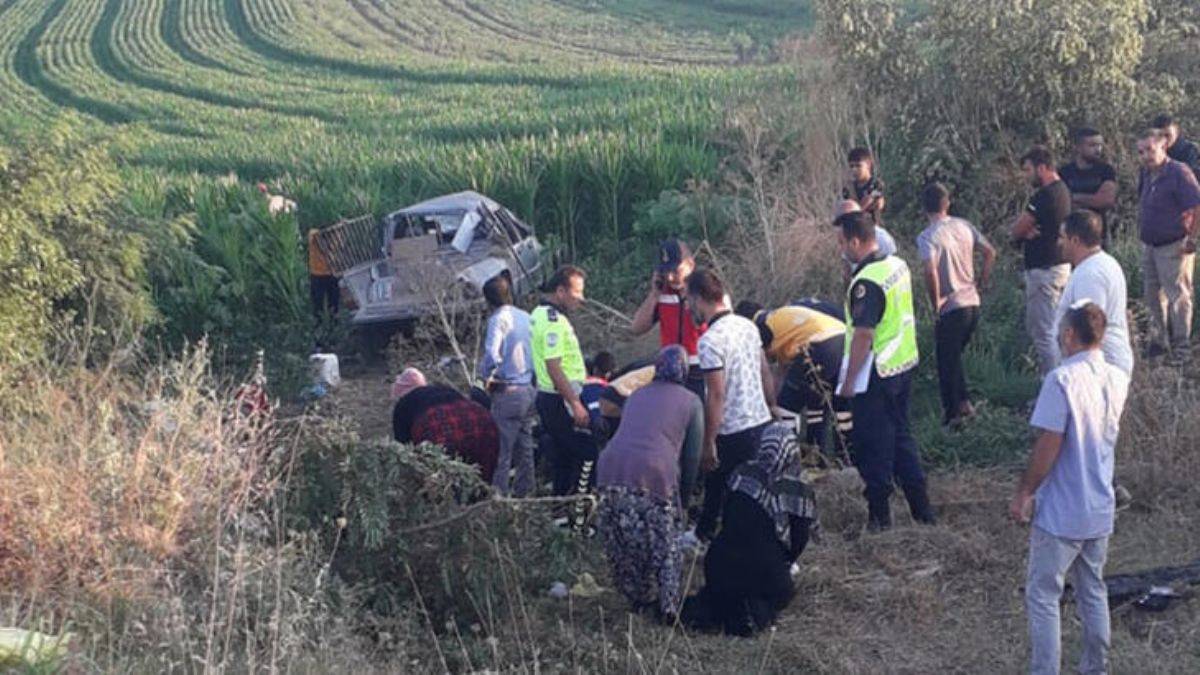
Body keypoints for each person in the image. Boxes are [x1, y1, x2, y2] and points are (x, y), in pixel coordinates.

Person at [1009, 302, 1130, 675]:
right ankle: (1096, 667)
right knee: (1093, 589)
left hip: (1062, 508)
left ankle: (1045, 670)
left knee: (1044, 594)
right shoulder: (1116, 377)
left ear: (1068, 335)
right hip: (1099, 504)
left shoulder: (1061, 380)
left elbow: (1050, 443)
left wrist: (1025, 490)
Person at [836, 211, 935, 530]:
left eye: (842, 243)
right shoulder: (897, 265)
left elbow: (864, 334)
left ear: (855, 241)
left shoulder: (866, 282)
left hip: (876, 374)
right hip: (902, 365)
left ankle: (879, 519)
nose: (841, 250)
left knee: (873, 445)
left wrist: (849, 382)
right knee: (902, 437)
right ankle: (922, 511)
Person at [595, 346, 705, 621]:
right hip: (654, 474)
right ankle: (668, 609)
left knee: (624, 540)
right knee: (666, 545)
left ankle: (637, 599)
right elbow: (691, 458)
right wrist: (684, 500)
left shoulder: (637, 395)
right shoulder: (691, 401)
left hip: (609, 468)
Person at [680, 423, 816, 636]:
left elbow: (727, 518)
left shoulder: (743, 472)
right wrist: (783, 562)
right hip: (763, 571)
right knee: (781, 591)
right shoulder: (798, 488)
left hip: (718, 562)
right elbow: (800, 539)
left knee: (720, 595)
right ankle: (749, 618)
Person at [688, 269, 774, 540]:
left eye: (690, 301)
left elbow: (716, 395)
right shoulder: (747, 326)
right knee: (758, 490)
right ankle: (707, 532)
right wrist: (772, 407)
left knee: (720, 483)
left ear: (700, 298)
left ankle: (706, 535)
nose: (691, 308)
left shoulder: (710, 341)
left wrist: (708, 440)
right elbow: (764, 371)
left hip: (732, 428)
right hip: (759, 421)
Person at [916, 182, 996, 426]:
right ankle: (965, 406)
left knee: (946, 362)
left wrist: (935, 303)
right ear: (947, 203)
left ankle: (953, 416)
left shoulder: (927, 237)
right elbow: (990, 252)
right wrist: (981, 281)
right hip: (972, 303)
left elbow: (930, 272)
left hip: (951, 306)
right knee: (954, 358)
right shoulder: (964, 226)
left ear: (923, 208)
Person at [734, 299, 851, 454]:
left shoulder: (760, 326)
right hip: (845, 340)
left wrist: (772, 403)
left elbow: (765, 371)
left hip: (818, 343)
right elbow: (783, 370)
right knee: (823, 405)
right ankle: (839, 457)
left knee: (786, 408)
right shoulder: (781, 320)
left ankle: (789, 456)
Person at [530, 266, 599, 498]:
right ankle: (582, 509)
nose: (581, 299)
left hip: (552, 397)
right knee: (588, 453)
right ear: (560, 291)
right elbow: (553, 365)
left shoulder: (539, 313)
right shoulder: (553, 322)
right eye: (577, 292)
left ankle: (562, 512)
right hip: (560, 399)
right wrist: (575, 403)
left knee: (563, 459)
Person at [1136, 129, 1200, 362]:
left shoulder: (1179, 172)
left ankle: (1182, 350)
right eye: (1141, 151)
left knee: (1179, 296)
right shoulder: (1145, 173)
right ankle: (1159, 344)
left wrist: (1192, 238)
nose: (1145, 156)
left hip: (1174, 245)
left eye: (1149, 150)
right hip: (1150, 245)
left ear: (1163, 147)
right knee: (1152, 296)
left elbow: (1196, 206)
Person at [1011, 146, 1072, 375]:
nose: (1026, 176)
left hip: (1045, 271)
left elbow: (1017, 229)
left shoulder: (1045, 195)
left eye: (1028, 170)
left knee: (1043, 332)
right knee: (1052, 329)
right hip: (1055, 267)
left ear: (1043, 167)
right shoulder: (1063, 190)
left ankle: (1053, 384)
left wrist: (1018, 233)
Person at [1053, 211, 1134, 376]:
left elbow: (1088, 329)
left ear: (1075, 240)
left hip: (1100, 368)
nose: (1058, 242)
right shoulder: (1101, 265)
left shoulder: (1090, 275)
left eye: (1062, 237)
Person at [478, 275, 536, 496]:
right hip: (529, 390)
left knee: (501, 451)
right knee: (525, 446)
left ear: (488, 300)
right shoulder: (526, 317)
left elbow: (492, 355)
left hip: (508, 392)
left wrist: (484, 377)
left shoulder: (497, 320)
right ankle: (526, 494)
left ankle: (498, 499)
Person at [629, 239, 708, 398]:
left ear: (690, 265)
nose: (670, 278)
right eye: (665, 272)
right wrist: (654, 295)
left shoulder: (706, 290)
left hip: (701, 370)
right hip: (670, 372)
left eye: (675, 271)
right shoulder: (663, 294)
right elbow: (636, 328)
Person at [391, 368, 499, 484]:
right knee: (483, 477)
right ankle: (487, 497)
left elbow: (404, 450)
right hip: (481, 419)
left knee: (443, 482)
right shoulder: (441, 389)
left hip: (440, 428)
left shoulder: (402, 406)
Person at [1059, 128, 1118, 247]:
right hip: (1071, 234)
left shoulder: (1106, 170)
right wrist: (1091, 199)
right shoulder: (1065, 172)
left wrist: (1075, 197)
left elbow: (1106, 200)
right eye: (1092, 145)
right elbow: (1060, 202)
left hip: (1098, 235)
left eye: (1100, 145)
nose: (1098, 150)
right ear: (1078, 147)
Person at [841, 147, 887, 225]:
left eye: (858, 166)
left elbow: (876, 203)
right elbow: (848, 211)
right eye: (851, 166)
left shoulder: (876, 184)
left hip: (873, 228)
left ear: (868, 165)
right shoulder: (848, 188)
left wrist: (858, 207)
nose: (854, 170)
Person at [307, 228, 339, 318]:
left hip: (331, 274)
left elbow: (338, 247)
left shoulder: (334, 236)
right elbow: (313, 236)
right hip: (317, 275)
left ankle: (334, 324)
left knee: (333, 304)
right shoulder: (314, 235)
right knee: (318, 304)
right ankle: (319, 325)